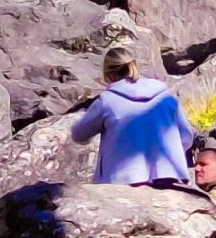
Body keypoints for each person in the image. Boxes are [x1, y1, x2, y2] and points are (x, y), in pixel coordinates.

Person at [71, 45, 199, 189]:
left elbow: (79, 135)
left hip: (122, 178)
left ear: (109, 74)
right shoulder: (165, 96)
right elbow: (187, 135)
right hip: (169, 174)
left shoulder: (107, 100)